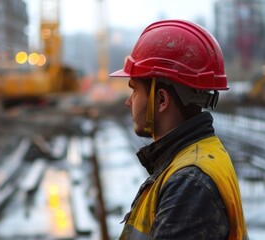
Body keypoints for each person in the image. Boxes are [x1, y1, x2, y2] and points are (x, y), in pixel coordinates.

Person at [110, 19, 247, 239]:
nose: (129, 102)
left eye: (134, 90)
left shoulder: (189, 183)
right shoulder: (197, 158)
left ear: (161, 100)